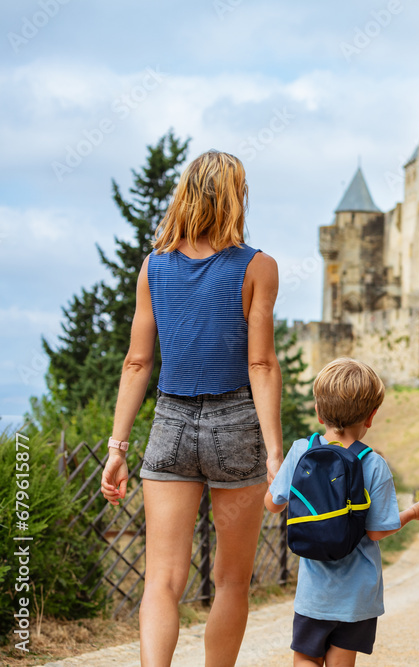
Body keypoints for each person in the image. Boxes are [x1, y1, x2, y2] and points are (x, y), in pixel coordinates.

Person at [100, 150, 283, 667]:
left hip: (170, 424)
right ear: (236, 197)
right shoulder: (258, 267)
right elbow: (263, 364)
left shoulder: (153, 266)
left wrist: (118, 448)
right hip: (235, 427)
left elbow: (137, 363)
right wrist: (273, 452)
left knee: (161, 579)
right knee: (230, 580)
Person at [265, 357, 419, 667]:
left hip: (314, 594)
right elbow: (377, 530)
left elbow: (273, 504)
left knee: (305, 658)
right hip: (357, 597)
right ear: (371, 417)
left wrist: (273, 477)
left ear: (317, 411)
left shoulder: (301, 451)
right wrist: (412, 513)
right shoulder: (373, 464)